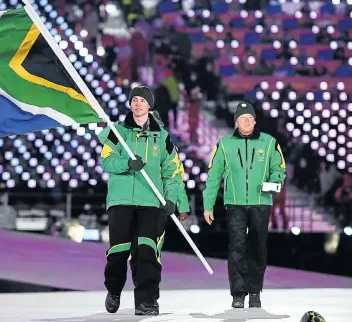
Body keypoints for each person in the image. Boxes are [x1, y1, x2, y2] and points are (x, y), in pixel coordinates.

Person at [98, 86, 183, 316]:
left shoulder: (162, 138)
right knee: (118, 250)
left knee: (147, 251)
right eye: (134, 100)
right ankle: (114, 290)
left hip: (151, 202)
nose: (137, 104)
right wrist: (127, 164)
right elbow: (106, 161)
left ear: (149, 105)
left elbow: (173, 172)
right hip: (121, 200)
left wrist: (170, 200)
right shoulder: (118, 132)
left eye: (142, 101)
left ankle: (146, 300)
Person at [202, 102, 286, 308]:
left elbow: (280, 168)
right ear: (236, 121)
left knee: (258, 248)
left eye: (250, 117)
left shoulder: (269, 143)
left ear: (255, 120)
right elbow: (214, 176)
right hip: (235, 204)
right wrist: (208, 204)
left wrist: (274, 182)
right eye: (243, 117)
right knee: (237, 248)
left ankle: (255, 292)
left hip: (261, 202)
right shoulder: (224, 144)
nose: (247, 120)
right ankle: (238, 293)